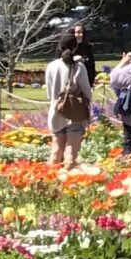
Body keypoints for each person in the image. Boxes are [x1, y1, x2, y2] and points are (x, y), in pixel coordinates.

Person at [44, 32, 95, 168]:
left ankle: (50, 180)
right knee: (71, 153)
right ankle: (69, 180)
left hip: (56, 110)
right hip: (75, 113)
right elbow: (87, 92)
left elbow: (49, 93)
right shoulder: (78, 67)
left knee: (56, 151)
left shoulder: (51, 66)